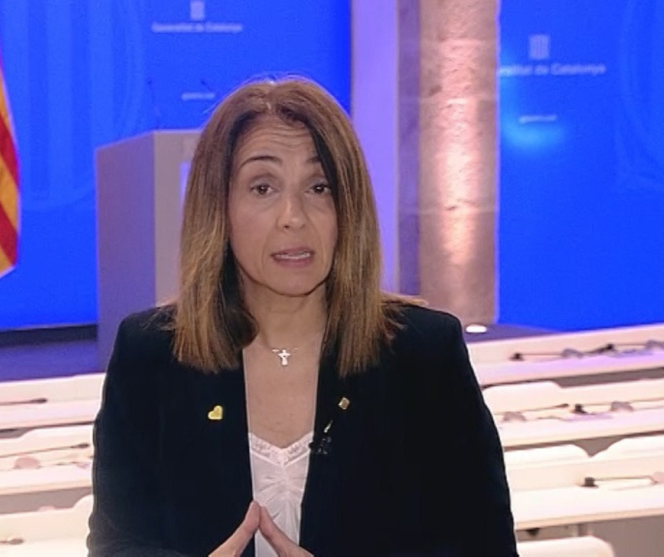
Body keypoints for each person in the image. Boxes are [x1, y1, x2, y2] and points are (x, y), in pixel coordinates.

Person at [87, 76, 517, 556]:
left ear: (348, 206)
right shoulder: (151, 356)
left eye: (319, 187)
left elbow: (485, 546)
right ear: (219, 207)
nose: (293, 216)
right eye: (263, 187)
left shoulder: (423, 355)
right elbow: (117, 545)